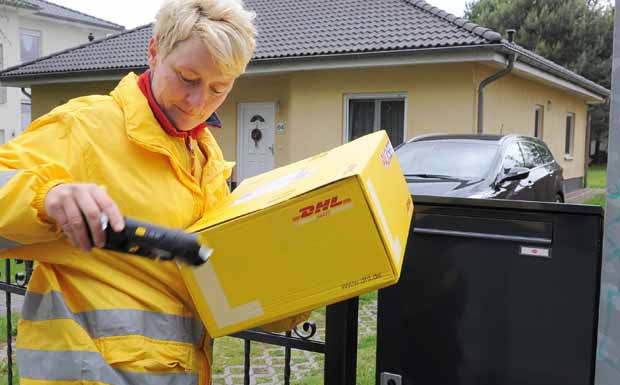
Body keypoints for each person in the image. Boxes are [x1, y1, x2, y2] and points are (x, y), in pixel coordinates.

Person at [0, 0, 308, 384]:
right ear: (154, 51)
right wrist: (47, 197)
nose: (199, 103)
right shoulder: (86, 128)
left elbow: (209, 280)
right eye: (187, 78)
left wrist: (298, 292)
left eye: (218, 88)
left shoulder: (204, 154)